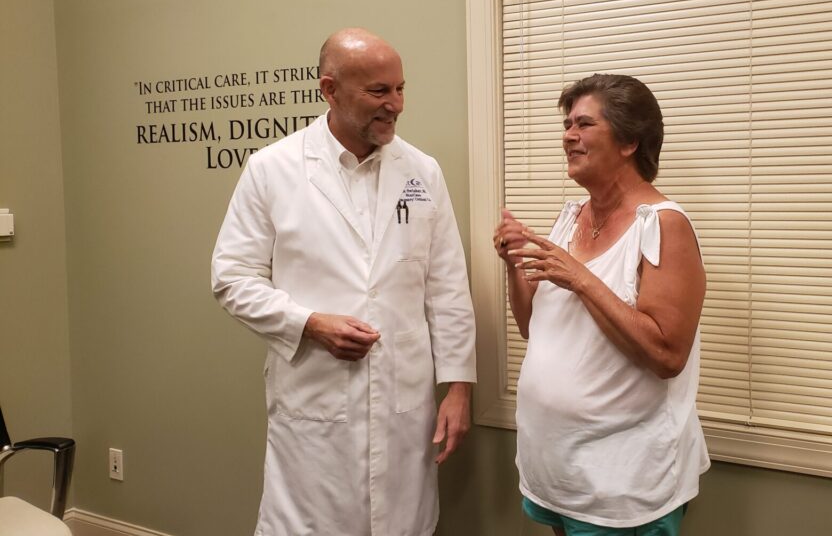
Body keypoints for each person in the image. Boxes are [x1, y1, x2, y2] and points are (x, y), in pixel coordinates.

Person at [212, 28, 476, 536]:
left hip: (404, 405)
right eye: (379, 91)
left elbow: (447, 287)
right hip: (315, 403)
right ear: (330, 90)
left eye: (400, 88)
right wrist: (309, 323)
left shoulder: (422, 172)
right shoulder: (272, 169)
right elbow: (231, 277)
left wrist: (459, 388)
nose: (396, 104)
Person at [494, 74, 709, 535]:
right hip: (556, 470)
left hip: (622, 484)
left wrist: (580, 278)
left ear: (630, 141)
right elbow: (535, 327)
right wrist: (515, 265)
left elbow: (666, 354)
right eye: (567, 124)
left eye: (584, 124)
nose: (568, 136)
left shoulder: (663, 225)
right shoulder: (571, 216)